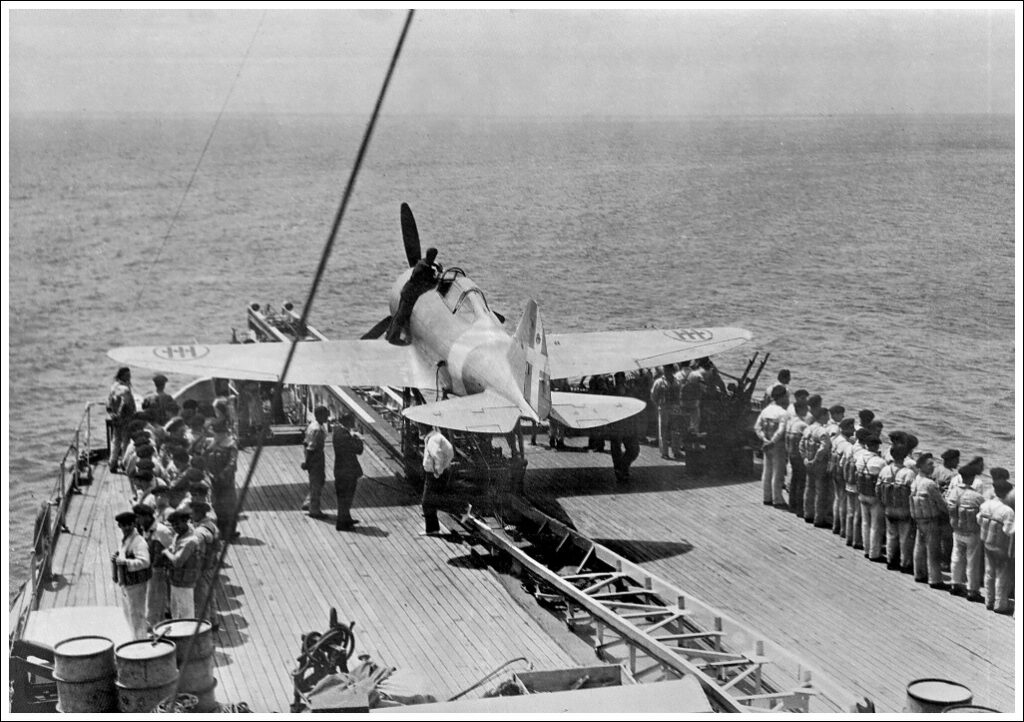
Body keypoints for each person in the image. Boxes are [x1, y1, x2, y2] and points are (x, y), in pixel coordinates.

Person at [876, 432, 916, 572]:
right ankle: (905, 564)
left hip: (888, 507)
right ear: (904, 456)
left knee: (891, 535)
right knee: (905, 538)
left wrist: (883, 502)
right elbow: (913, 493)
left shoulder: (885, 470)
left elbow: (878, 488)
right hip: (903, 508)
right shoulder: (908, 473)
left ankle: (891, 561)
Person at [946, 464, 986, 602]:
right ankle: (972, 590)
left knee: (956, 556)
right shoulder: (976, 496)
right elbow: (983, 513)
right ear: (972, 478)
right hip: (972, 532)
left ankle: (955, 583)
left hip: (956, 529)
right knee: (972, 561)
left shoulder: (952, 492)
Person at [386, 247, 441, 345]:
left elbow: (427, 265)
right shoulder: (424, 268)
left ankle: (389, 334)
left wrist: (434, 266)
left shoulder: (422, 263)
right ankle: (394, 338)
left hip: (407, 291)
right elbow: (432, 280)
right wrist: (438, 273)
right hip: (410, 295)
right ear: (432, 256)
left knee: (399, 315)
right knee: (401, 316)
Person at [910, 453, 949, 589]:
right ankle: (935, 579)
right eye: (929, 464)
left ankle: (919, 573)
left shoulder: (915, 481)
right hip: (931, 519)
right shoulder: (930, 484)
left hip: (919, 518)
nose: (933, 466)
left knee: (919, 546)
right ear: (920, 466)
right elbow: (941, 504)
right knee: (933, 550)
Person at [978, 471, 1014, 614]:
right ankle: (1000, 603)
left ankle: (989, 600)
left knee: (989, 572)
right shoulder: (1007, 511)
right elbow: (1009, 530)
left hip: (987, 542)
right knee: (1002, 575)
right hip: (1001, 546)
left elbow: (979, 520)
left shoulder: (986, 504)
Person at [112, 510, 151, 639]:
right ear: (119, 526)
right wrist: (117, 556)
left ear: (134, 524)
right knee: (128, 613)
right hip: (126, 584)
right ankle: (135, 638)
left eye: (129, 524)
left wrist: (125, 562)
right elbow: (124, 554)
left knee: (137, 615)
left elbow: (145, 562)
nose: (126, 527)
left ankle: (140, 641)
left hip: (136, 584)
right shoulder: (125, 540)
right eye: (123, 525)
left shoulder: (139, 542)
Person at [134, 503, 172, 631]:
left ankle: (154, 626)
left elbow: (165, 552)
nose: (136, 520)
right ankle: (155, 624)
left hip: (159, 570)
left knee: (155, 599)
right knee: (151, 599)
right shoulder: (146, 528)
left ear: (146, 517)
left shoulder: (160, 531)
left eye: (138, 517)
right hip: (150, 569)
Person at [203, 419, 239, 540]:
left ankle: (230, 532)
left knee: (229, 505)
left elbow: (232, 463)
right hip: (213, 479)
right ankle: (220, 530)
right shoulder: (210, 443)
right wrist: (209, 473)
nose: (217, 435)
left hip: (226, 480)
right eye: (216, 432)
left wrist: (222, 474)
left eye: (219, 433)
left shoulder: (230, 444)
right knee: (216, 504)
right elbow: (204, 459)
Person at [754, 385, 789, 507]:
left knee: (767, 471)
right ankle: (777, 499)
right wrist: (773, 441)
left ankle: (766, 497)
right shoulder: (783, 413)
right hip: (777, 445)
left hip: (766, 444)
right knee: (777, 473)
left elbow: (757, 427)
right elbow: (781, 430)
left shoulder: (765, 410)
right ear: (783, 397)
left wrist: (764, 439)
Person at [162, 509, 200, 619]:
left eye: (177, 524)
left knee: (186, 615)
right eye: (173, 525)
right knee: (176, 612)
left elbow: (177, 562)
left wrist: (166, 552)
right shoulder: (178, 536)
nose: (175, 527)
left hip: (185, 583)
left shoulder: (190, 541)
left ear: (185, 521)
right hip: (175, 581)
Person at [855, 434, 886, 561]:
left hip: (862, 492)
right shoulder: (880, 462)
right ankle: (874, 553)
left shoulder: (859, 458)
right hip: (874, 496)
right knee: (875, 525)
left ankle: (866, 549)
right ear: (876, 446)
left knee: (865, 522)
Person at [190, 501, 221, 626]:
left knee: (201, 598)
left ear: (198, 513)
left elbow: (198, 552)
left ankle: (205, 624)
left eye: (192, 514)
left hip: (203, 568)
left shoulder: (199, 532)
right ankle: (214, 620)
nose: (190, 516)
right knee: (211, 594)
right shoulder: (211, 525)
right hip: (212, 565)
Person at [332, 412, 364, 531]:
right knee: (346, 497)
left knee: (344, 497)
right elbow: (358, 450)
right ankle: (342, 524)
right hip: (347, 472)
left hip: (341, 470)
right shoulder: (344, 435)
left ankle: (346, 518)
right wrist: (359, 438)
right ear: (348, 422)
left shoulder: (338, 432)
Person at [802, 407, 833, 527]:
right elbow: (824, 448)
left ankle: (808, 513)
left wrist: (805, 458)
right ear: (822, 416)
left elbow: (801, 445)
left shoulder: (808, 429)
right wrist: (816, 460)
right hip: (819, 464)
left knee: (809, 488)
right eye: (827, 416)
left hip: (808, 462)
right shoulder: (822, 431)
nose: (828, 418)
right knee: (820, 491)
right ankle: (819, 518)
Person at [421, 426, 454, 535]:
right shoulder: (434, 437)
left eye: (420, 427)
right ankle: (432, 529)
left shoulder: (433, 440)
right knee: (430, 502)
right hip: (434, 473)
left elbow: (438, 457)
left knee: (428, 501)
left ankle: (463, 506)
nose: (419, 430)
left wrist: (437, 473)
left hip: (434, 475)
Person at [301, 406, 330, 518]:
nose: (327, 417)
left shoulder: (313, 425)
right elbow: (311, 448)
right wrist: (308, 463)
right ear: (320, 415)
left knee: (316, 481)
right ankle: (314, 510)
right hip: (316, 457)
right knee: (317, 482)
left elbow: (306, 443)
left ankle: (309, 502)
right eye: (325, 415)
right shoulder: (317, 430)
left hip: (314, 455)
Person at [107, 367, 137, 473]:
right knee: (125, 442)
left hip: (116, 419)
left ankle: (112, 463)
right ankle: (124, 464)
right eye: (127, 375)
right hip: (125, 419)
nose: (129, 377)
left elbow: (109, 403)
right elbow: (125, 403)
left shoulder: (114, 386)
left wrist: (113, 415)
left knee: (115, 441)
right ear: (122, 375)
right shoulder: (125, 389)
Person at [829, 418, 855, 538]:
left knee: (838, 498)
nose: (853, 430)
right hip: (841, 471)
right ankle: (843, 528)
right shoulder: (846, 444)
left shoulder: (836, 439)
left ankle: (836, 525)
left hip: (833, 469)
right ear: (845, 429)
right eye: (851, 428)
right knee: (843, 500)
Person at [650, 366, 681, 460]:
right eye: (667, 370)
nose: (668, 372)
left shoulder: (677, 381)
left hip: (675, 408)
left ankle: (676, 451)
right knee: (663, 431)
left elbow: (680, 394)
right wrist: (658, 405)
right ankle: (664, 452)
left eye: (670, 370)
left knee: (675, 430)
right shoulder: (659, 382)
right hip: (664, 408)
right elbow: (653, 395)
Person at [785, 400, 809, 516]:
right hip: (799, 456)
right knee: (801, 482)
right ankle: (800, 508)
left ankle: (792, 505)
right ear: (800, 410)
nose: (807, 411)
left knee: (794, 480)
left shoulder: (791, 422)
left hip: (791, 454)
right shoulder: (802, 425)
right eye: (805, 409)